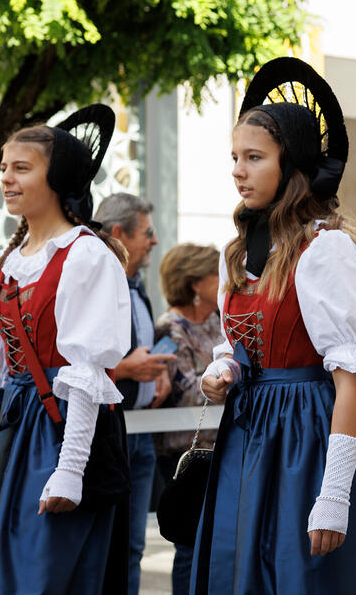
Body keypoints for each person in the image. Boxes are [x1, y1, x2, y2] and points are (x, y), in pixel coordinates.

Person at [192, 57, 356, 595]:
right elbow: (241, 345)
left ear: (291, 164)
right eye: (235, 158)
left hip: (306, 439)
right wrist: (223, 368)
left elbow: (351, 378)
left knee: (301, 577)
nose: (238, 170)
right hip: (249, 433)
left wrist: (334, 492)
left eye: (254, 157)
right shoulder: (243, 251)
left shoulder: (325, 250)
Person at [0, 106, 133, 594]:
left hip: (60, 437)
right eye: (3, 169)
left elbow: (86, 372)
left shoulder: (86, 255)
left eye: (22, 168)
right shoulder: (1, 268)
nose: (7, 179)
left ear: (57, 177)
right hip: (12, 437)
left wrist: (69, 470)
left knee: (43, 574)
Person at [94, 192, 174, 595]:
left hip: (139, 436)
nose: (155, 241)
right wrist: (126, 369)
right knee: (108, 545)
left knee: (133, 544)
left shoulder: (135, 284)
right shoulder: (93, 282)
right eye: (148, 232)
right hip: (106, 433)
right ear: (120, 232)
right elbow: (70, 358)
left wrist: (154, 374)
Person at [151, 242, 223, 594]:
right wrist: (228, 379)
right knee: (189, 541)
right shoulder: (168, 327)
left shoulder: (218, 321)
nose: (225, 280)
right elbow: (181, 390)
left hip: (222, 446)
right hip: (183, 453)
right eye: (215, 274)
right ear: (195, 283)